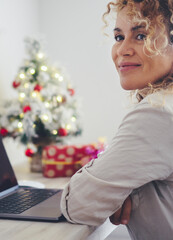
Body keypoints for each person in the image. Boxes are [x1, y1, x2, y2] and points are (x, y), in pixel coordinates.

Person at [60, 0, 173, 239]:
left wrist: (113, 189)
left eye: (141, 36)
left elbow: (77, 205)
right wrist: (126, 188)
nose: (122, 50)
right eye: (119, 37)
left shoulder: (159, 112)